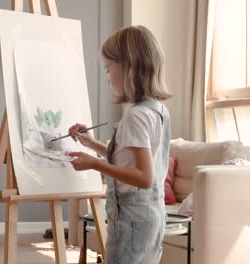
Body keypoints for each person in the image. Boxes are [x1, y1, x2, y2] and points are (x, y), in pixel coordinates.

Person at [67, 25, 172, 264]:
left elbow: (143, 177)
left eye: (108, 68)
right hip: (151, 215)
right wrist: (92, 144)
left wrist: (95, 164)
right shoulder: (158, 110)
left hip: (132, 218)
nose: (107, 76)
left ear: (128, 67)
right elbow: (130, 160)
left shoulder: (136, 116)